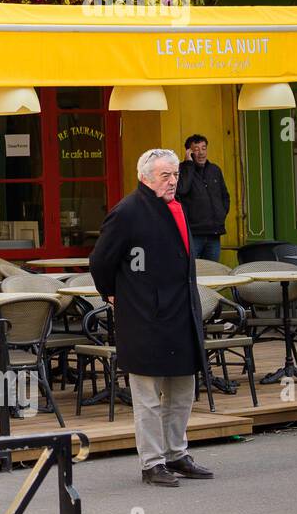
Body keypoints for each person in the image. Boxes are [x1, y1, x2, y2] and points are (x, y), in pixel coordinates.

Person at [89, 148, 213, 487]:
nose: (173, 181)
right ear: (145, 177)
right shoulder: (127, 211)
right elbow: (100, 261)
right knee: (147, 396)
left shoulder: (178, 208)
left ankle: (177, 453)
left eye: (175, 175)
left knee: (182, 390)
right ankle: (152, 463)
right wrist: (110, 292)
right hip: (144, 315)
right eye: (165, 176)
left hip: (181, 313)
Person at [176, 134, 230, 263]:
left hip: (214, 233)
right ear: (189, 152)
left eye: (204, 148)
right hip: (193, 234)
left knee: (212, 272)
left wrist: (221, 214)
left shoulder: (215, 170)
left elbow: (225, 196)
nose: (201, 153)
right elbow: (182, 189)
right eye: (196, 149)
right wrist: (189, 164)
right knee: (191, 271)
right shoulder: (181, 169)